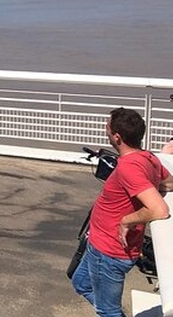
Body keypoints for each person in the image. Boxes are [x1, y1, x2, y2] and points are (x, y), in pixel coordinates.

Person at [71, 107, 173, 316]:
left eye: (107, 128)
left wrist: (127, 220)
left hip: (108, 252)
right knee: (80, 282)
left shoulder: (130, 168)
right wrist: (149, 188)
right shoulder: (148, 157)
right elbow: (169, 183)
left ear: (117, 137)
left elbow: (159, 209)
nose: (105, 131)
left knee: (108, 311)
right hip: (99, 245)